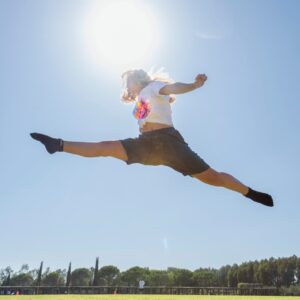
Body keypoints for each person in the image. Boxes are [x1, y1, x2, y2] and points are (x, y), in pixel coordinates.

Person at [30, 68, 274, 207]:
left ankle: (249, 192)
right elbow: (144, 119)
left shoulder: (154, 86)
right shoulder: (139, 103)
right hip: (146, 146)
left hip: (169, 143)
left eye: (129, 82)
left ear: (139, 79)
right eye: (126, 84)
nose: (128, 86)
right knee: (105, 147)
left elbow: (173, 88)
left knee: (213, 178)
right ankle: (58, 145)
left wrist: (193, 85)